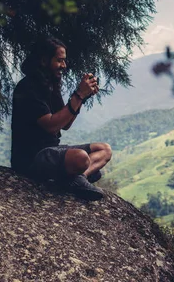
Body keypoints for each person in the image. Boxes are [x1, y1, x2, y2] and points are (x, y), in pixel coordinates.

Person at [11, 37, 112, 201]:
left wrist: (82, 98)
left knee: (104, 150)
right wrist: (79, 95)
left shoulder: (50, 85)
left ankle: (78, 178)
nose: (64, 66)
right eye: (59, 61)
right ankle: (77, 176)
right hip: (31, 158)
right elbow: (51, 126)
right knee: (81, 158)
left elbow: (65, 125)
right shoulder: (28, 87)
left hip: (51, 150)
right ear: (44, 60)